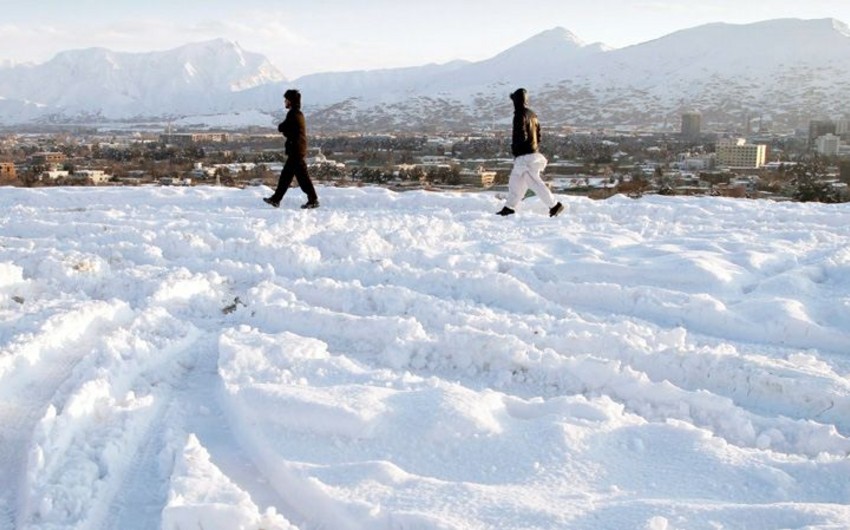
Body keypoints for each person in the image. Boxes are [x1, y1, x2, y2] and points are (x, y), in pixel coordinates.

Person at [496, 88, 563, 217]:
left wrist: (518, 147)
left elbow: (520, 134)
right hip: (531, 153)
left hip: (524, 156)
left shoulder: (519, 114)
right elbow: (538, 136)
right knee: (515, 182)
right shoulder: (533, 115)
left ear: (516, 101)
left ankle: (554, 205)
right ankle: (509, 207)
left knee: (534, 182)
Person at [263, 89, 320, 209]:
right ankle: (276, 199)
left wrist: (284, 130)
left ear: (291, 101)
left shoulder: (293, 114)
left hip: (296, 151)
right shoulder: (297, 113)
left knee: (301, 178)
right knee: (286, 177)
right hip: (297, 150)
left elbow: (282, 127)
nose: (284, 102)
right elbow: (289, 130)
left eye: (286, 100)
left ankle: (313, 200)